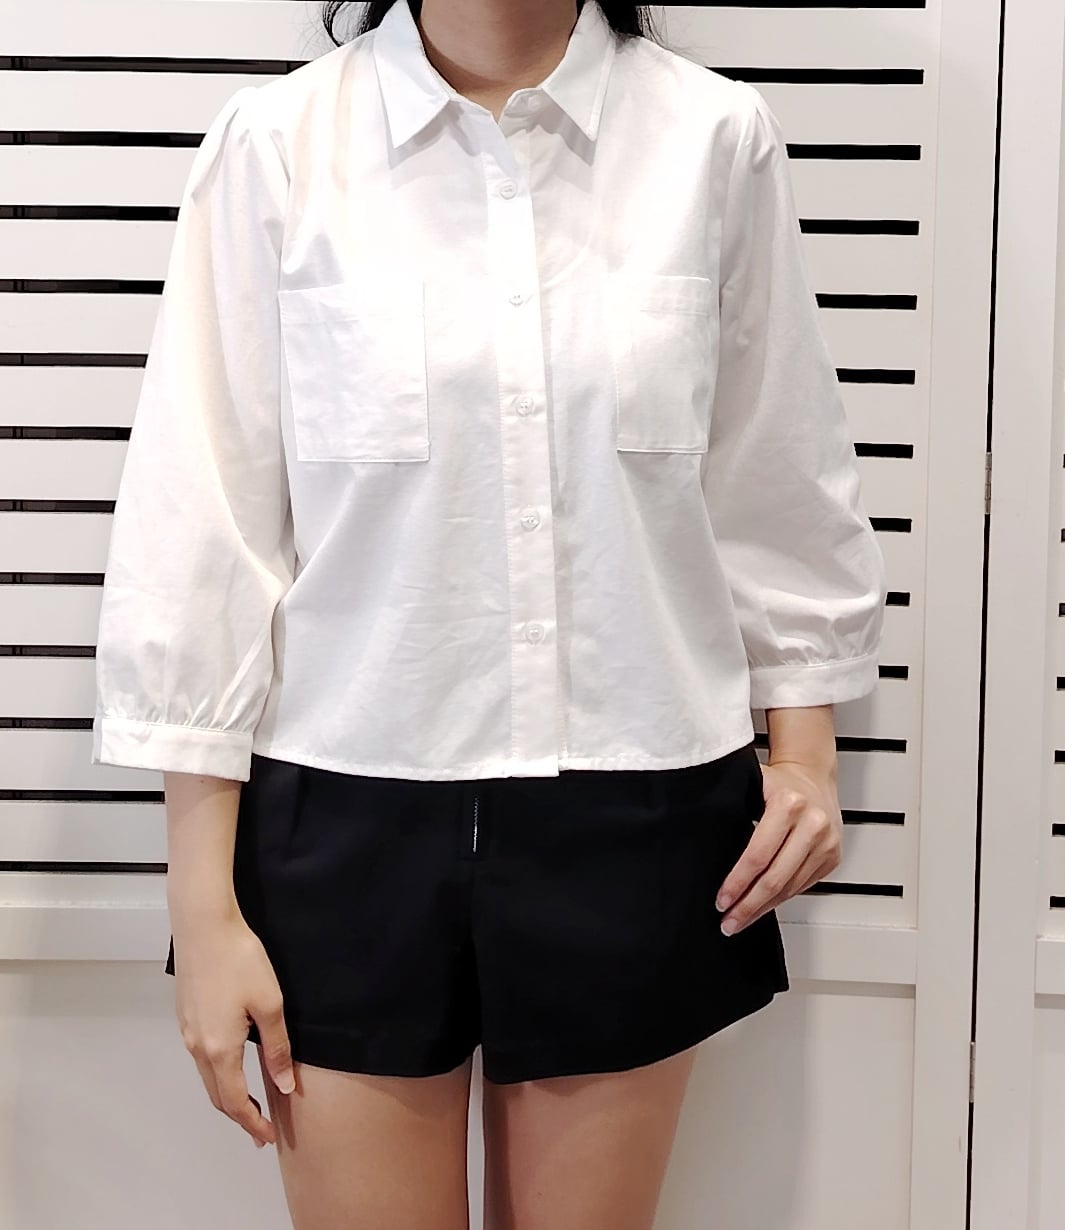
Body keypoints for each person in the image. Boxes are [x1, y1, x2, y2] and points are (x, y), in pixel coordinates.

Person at [91, 0, 887, 1225]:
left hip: (634, 799)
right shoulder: (278, 146)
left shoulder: (711, 139)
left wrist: (808, 757)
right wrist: (200, 909)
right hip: (345, 810)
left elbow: (773, 469)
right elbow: (205, 523)